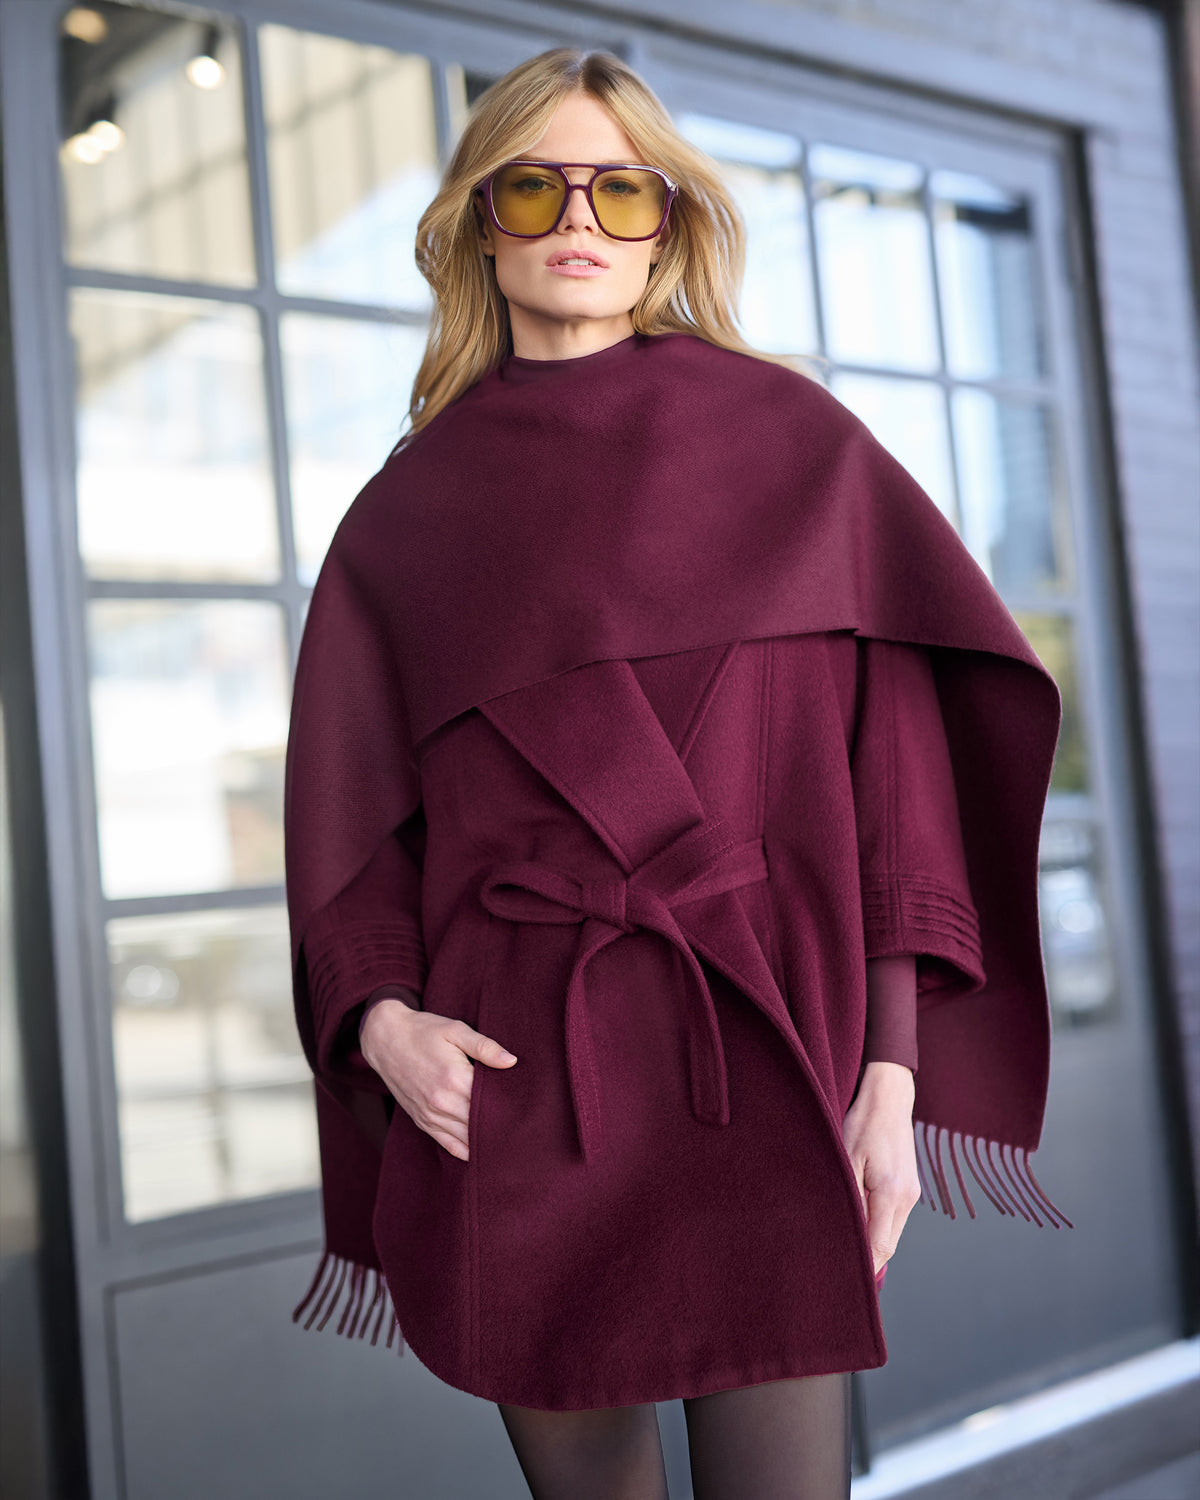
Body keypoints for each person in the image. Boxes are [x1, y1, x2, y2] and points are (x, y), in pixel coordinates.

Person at [284, 47, 1068, 1500]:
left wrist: (891, 1073)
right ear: (480, 225)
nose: (580, 219)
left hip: (768, 1043)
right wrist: (385, 1025)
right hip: (522, 1077)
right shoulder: (403, 519)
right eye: (536, 187)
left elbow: (891, 783)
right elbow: (352, 835)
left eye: (622, 190)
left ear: (668, 225)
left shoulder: (799, 448)